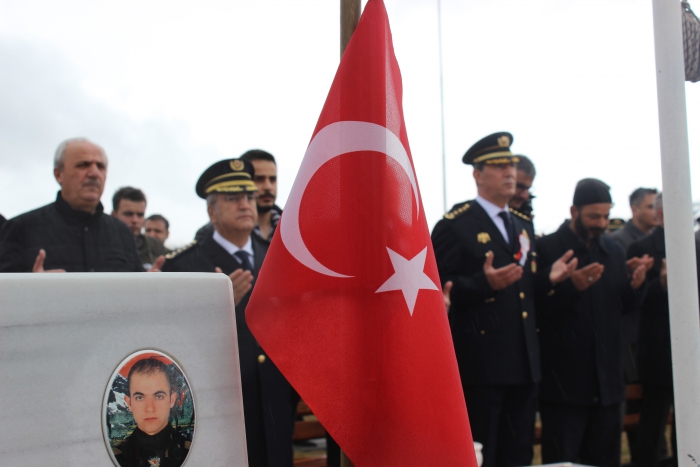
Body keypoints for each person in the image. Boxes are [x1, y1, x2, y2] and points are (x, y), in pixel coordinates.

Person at [432, 132, 576, 467]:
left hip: (523, 361)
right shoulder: (456, 225)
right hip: (481, 364)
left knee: (518, 452)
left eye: (510, 165)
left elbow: (523, 291)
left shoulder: (522, 224)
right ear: (477, 175)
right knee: (484, 452)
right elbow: (436, 289)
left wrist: (549, 279)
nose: (509, 172)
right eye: (498, 166)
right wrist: (483, 284)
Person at [162, 158, 294, 467]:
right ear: (212, 212)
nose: (245, 204)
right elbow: (172, 341)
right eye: (233, 198)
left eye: (248, 196)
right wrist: (217, 309)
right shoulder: (183, 265)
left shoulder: (276, 254)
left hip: (275, 397)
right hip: (221, 400)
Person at [535, 178, 650, 466]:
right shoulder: (548, 249)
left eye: (606, 216)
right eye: (593, 217)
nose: (601, 223)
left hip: (608, 386)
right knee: (563, 462)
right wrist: (570, 286)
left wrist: (636, 288)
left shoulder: (614, 251)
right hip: (564, 388)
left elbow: (620, 307)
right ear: (574, 211)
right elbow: (537, 307)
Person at [0, 138, 157, 272]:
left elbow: (134, 289)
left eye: (100, 166)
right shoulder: (20, 228)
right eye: (83, 165)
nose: (94, 173)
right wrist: (30, 286)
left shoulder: (122, 232)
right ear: (58, 174)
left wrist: (149, 284)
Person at [630, 193, 700, 467]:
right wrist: (660, 285)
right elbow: (632, 303)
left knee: (691, 423)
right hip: (658, 351)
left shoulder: (695, 246)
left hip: (692, 351)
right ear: (661, 215)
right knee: (653, 424)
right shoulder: (642, 248)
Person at [113, 358, 190, 467]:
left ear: (171, 400)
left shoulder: (189, 451)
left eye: (159, 396)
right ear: (129, 403)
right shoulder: (117, 456)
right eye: (140, 398)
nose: (149, 408)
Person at [195, 149, 281, 243]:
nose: (268, 187)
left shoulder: (291, 225)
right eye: (258, 179)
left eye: (273, 179)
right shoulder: (207, 236)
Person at [112, 187, 170, 269]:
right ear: (113, 215)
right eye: (128, 214)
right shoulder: (100, 245)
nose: (135, 220)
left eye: (140, 215)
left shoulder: (156, 247)